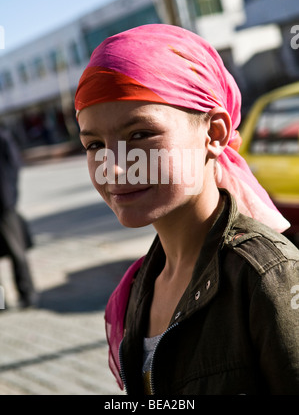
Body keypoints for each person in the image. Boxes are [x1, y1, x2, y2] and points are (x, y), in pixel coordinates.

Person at [75, 24, 299, 395]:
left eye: (140, 135)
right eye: (94, 144)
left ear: (213, 134)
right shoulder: (135, 289)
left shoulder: (268, 280)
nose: (113, 167)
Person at [0, 125, 37, 309]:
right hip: (5, 204)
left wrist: (10, 198)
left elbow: (14, 166)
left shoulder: (3, 136)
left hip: (4, 206)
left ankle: (27, 295)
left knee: (17, 253)